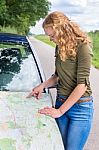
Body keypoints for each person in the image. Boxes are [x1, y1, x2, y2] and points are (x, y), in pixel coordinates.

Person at [27, 11, 94, 150]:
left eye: (52, 35)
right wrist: (42, 86)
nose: (50, 39)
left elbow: (82, 85)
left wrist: (60, 111)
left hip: (80, 108)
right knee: (59, 147)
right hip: (60, 101)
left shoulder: (83, 47)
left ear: (62, 30)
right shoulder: (59, 46)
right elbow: (57, 76)